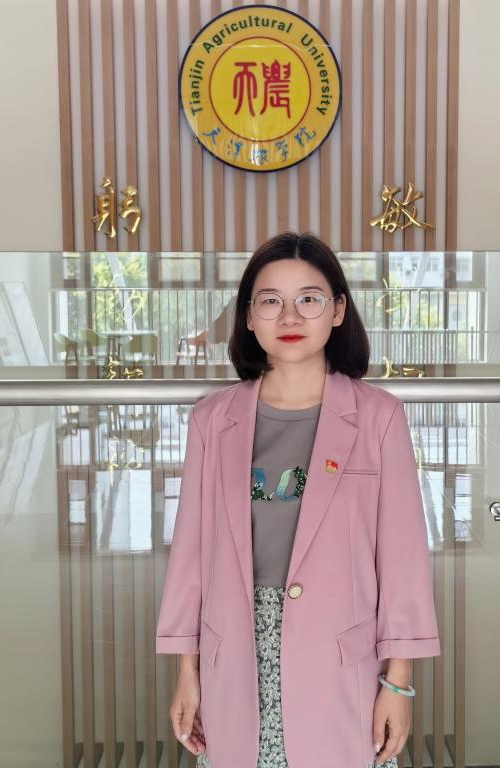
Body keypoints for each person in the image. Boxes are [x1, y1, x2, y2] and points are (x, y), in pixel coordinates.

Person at [155, 232, 440, 768]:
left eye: (309, 299)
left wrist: (398, 684)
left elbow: (402, 561)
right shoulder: (212, 420)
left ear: (338, 310)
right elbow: (190, 554)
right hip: (236, 654)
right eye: (270, 301)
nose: (289, 316)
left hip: (337, 660)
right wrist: (187, 671)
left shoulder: (378, 417)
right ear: (248, 316)